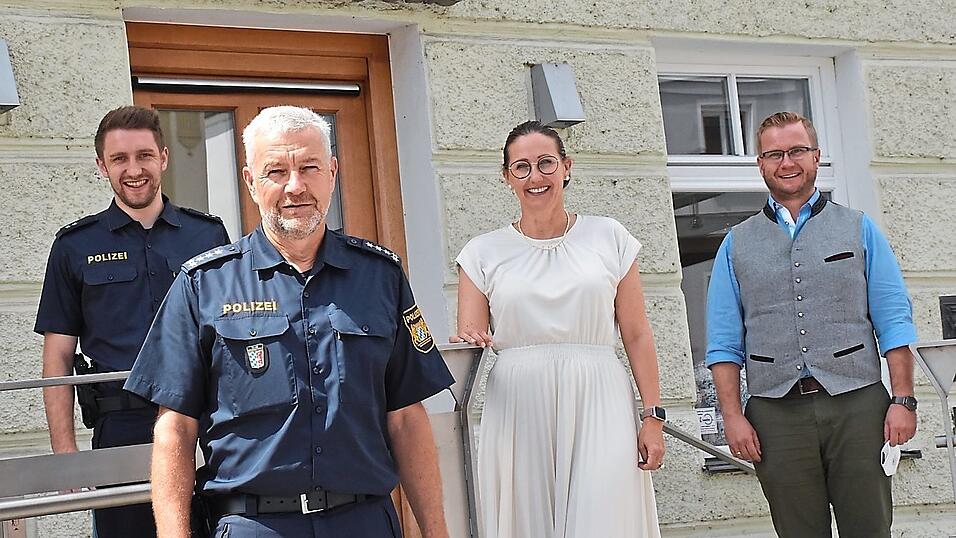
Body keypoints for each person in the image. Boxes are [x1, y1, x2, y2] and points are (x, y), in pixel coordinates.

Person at [124, 105, 454, 538]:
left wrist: (436, 531)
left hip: (364, 522)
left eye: (309, 167)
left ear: (332, 172)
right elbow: (175, 428)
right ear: (250, 182)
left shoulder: (381, 277)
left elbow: (407, 417)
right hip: (255, 525)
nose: (295, 187)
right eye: (276, 171)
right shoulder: (203, 284)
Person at [706, 111, 918, 538]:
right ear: (760, 163)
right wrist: (732, 416)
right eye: (775, 154)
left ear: (816, 156)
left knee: (869, 528)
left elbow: (894, 320)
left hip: (857, 404)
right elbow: (724, 342)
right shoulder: (736, 243)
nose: (787, 162)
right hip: (774, 413)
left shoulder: (858, 228)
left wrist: (904, 400)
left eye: (797, 150)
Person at [453, 120, 664, 538]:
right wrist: (470, 339)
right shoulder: (481, 253)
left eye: (546, 163)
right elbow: (470, 336)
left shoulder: (610, 237)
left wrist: (652, 416)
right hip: (518, 403)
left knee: (604, 519)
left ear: (566, 167)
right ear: (506, 176)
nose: (536, 176)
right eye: (522, 167)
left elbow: (637, 333)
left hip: (599, 395)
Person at [33, 105, 230, 537]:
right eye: (119, 158)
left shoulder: (208, 236)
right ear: (102, 166)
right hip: (120, 428)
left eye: (144, 156)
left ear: (164, 157)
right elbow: (58, 356)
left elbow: (230, 336)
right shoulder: (74, 246)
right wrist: (65, 451)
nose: (134, 169)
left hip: (205, 423)